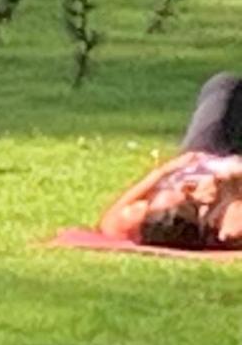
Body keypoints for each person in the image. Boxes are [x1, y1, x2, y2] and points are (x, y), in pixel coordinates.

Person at [99, 72, 242, 247]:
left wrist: (164, 171)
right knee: (227, 87)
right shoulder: (222, 225)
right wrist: (226, 188)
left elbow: (111, 218)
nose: (185, 191)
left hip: (199, 154)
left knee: (223, 86)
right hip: (227, 158)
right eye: (188, 201)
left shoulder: (136, 220)